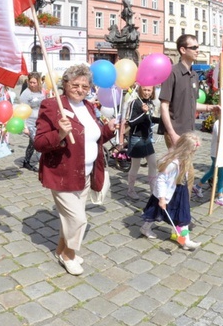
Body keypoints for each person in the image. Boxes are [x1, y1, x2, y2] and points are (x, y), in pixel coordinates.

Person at [34, 64, 117, 276]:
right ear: (65, 84)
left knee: (70, 220)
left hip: (85, 174)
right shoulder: (52, 106)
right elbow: (40, 143)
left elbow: (94, 139)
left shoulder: (89, 107)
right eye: (76, 85)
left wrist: (108, 131)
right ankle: (68, 256)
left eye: (85, 86)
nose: (80, 89)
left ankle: (60, 249)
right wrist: (60, 134)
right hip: (61, 175)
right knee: (78, 219)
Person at [140, 132, 201, 251]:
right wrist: (162, 198)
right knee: (155, 212)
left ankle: (185, 241)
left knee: (183, 216)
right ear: (184, 148)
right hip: (168, 192)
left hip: (180, 191)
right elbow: (161, 180)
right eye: (192, 150)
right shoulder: (172, 162)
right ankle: (145, 228)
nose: (193, 153)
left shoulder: (185, 158)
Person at [159, 34, 219, 147]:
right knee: (178, 164)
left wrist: (209, 107)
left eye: (198, 47)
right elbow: (164, 106)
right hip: (175, 131)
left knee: (185, 164)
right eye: (194, 47)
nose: (197, 50)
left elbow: (192, 104)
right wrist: (172, 134)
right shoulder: (172, 72)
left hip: (189, 132)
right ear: (183, 50)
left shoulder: (194, 75)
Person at [121, 84, 157, 200]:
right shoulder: (135, 103)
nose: (147, 92)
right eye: (145, 90)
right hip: (136, 138)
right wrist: (143, 112)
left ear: (152, 91)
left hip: (147, 139)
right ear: (140, 90)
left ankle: (153, 192)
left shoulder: (150, 103)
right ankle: (130, 190)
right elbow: (131, 122)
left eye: (149, 90)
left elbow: (150, 119)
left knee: (153, 164)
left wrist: (165, 120)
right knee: (135, 166)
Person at [198, 112, 223, 206]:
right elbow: (220, 137)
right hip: (216, 153)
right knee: (221, 174)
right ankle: (220, 196)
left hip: (221, 153)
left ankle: (198, 186)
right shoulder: (218, 123)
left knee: (212, 171)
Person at [19, 72, 45, 172]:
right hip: (29, 123)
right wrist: (24, 126)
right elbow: (22, 111)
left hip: (40, 121)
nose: (32, 84)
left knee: (32, 143)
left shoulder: (41, 92)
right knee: (38, 143)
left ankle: (26, 161)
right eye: (31, 82)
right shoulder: (25, 94)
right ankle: (44, 166)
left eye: (34, 82)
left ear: (38, 82)